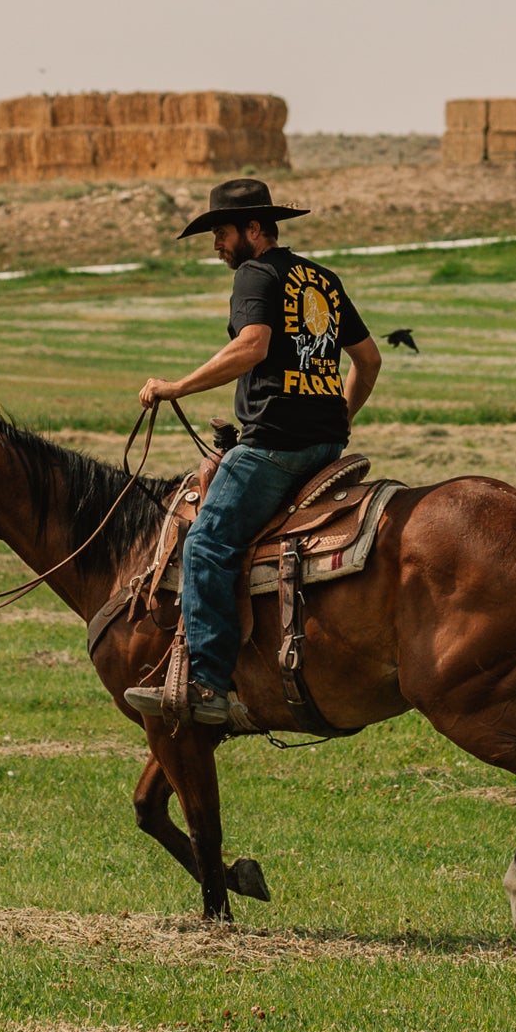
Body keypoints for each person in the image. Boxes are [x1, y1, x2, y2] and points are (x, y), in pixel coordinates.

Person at [129, 175, 379, 731]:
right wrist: (338, 417)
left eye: (222, 232)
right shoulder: (322, 280)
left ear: (254, 229)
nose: (217, 244)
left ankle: (208, 684)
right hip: (324, 446)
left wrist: (176, 387)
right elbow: (369, 360)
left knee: (207, 544)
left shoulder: (255, 273)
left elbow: (253, 345)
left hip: (274, 447)